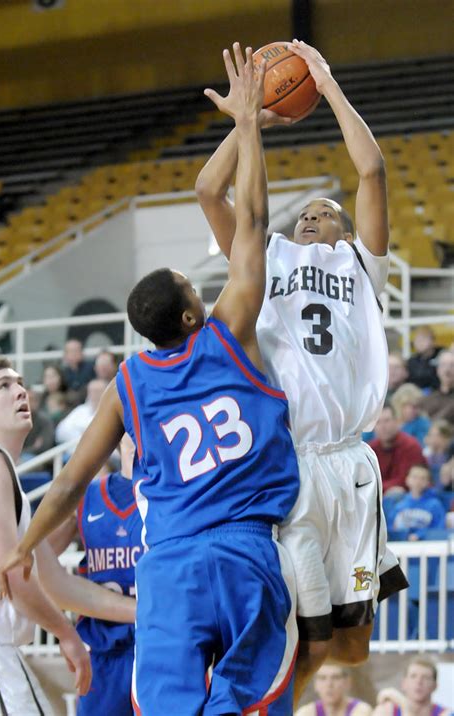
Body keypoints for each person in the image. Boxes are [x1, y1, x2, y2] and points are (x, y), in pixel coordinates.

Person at [0, 44, 300, 715]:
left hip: (169, 569)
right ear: (192, 312)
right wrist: (247, 126)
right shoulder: (228, 334)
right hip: (245, 551)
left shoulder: (127, 382)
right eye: (194, 283)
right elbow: (251, 223)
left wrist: (24, 546)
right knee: (249, 700)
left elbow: (69, 481)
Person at [195, 37, 407, 705]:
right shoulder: (268, 256)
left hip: (353, 463)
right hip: (292, 464)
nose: (316, 213)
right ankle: (263, 704)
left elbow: (371, 173)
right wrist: (248, 122)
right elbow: (209, 188)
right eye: (307, 211)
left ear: (348, 234)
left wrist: (327, 84)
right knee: (306, 634)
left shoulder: (361, 267)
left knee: (353, 644)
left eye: (329, 213)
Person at [0, 357, 137, 715]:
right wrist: (67, 636)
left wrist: (149, 613)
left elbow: (57, 584)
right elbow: (6, 575)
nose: (21, 391)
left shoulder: (0, 470)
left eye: (20, 383)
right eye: (4, 386)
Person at [50, 433, 142, 716]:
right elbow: (36, 562)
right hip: (104, 655)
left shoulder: (174, 494)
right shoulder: (86, 496)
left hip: (160, 648)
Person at [369, 405, 427, 494]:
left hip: (407, 497)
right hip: (377, 493)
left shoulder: (410, 446)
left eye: (387, 421)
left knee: (396, 493)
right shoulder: (371, 449)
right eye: (378, 422)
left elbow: (404, 481)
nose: (383, 427)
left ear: (397, 421)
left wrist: (375, 489)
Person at [373, 657, 452, 716]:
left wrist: (403, 704)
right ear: (403, 683)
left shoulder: (446, 714)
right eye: (413, 676)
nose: (419, 682)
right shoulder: (387, 711)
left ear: (435, 686)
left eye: (426, 677)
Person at [387, 464, 447, 540]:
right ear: (407, 479)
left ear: (428, 482)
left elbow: (439, 529)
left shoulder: (435, 505)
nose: (418, 481)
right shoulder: (399, 506)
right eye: (415, 477)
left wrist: (420, 535)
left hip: (426, 547)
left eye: (423, 478)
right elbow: (391, 529)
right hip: (401, 546)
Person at [295, 665, 372, 716]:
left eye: (335, 677)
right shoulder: (305, 712)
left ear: (347, 682)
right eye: (322, 678)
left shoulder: (362, 710)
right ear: (315, 684)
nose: (329, 684)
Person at [55, 378, 107, 447]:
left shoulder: (109, 412)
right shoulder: (80, 410)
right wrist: (81, 436)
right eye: (91, 391)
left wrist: (81, 432)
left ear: (106, 392)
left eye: (97, 391)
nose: (94, 394)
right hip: (73, 450)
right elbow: (60, 431)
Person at [390, 383, 431, 447]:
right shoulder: (388, 420)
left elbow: (420, 446)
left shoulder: (423, 423)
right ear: (400, 405)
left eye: (418, 406)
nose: (416, 410)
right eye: (412, 406)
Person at [419, 350, 454, 423]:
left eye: (452, 365)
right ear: (437, 370)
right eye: (443, 365)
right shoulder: (427, 398)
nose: (447, 370)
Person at [407, 327, 442, 392]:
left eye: (422, 339)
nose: (419, 343)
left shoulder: (442, 356)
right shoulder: (412, 361)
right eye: (416, 340)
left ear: (432, 341)